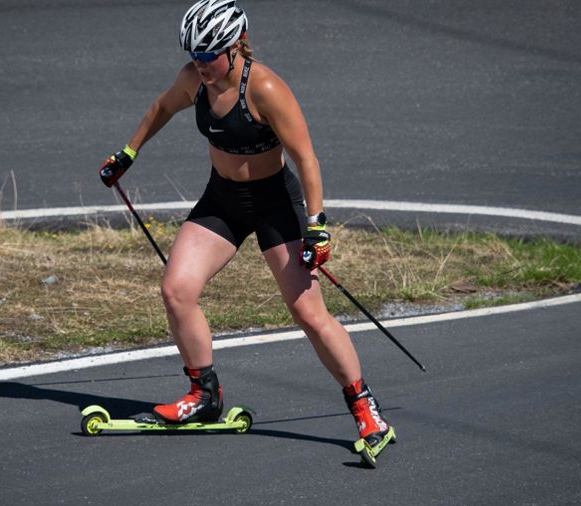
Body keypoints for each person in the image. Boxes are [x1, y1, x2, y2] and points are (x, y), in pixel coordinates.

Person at [99, 0, 393, 451]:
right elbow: (162, 107)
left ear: (236, 45)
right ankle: (204, 395)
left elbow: (306, 158)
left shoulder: (266, 89)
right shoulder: (193, 79)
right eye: (193, 57)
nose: (200, 66)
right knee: (176, 289)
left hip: (275, 203)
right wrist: (128, 153)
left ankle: (365, 408)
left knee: (309, 313)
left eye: (208, 56)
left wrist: (317, 225)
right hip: (224, 200)